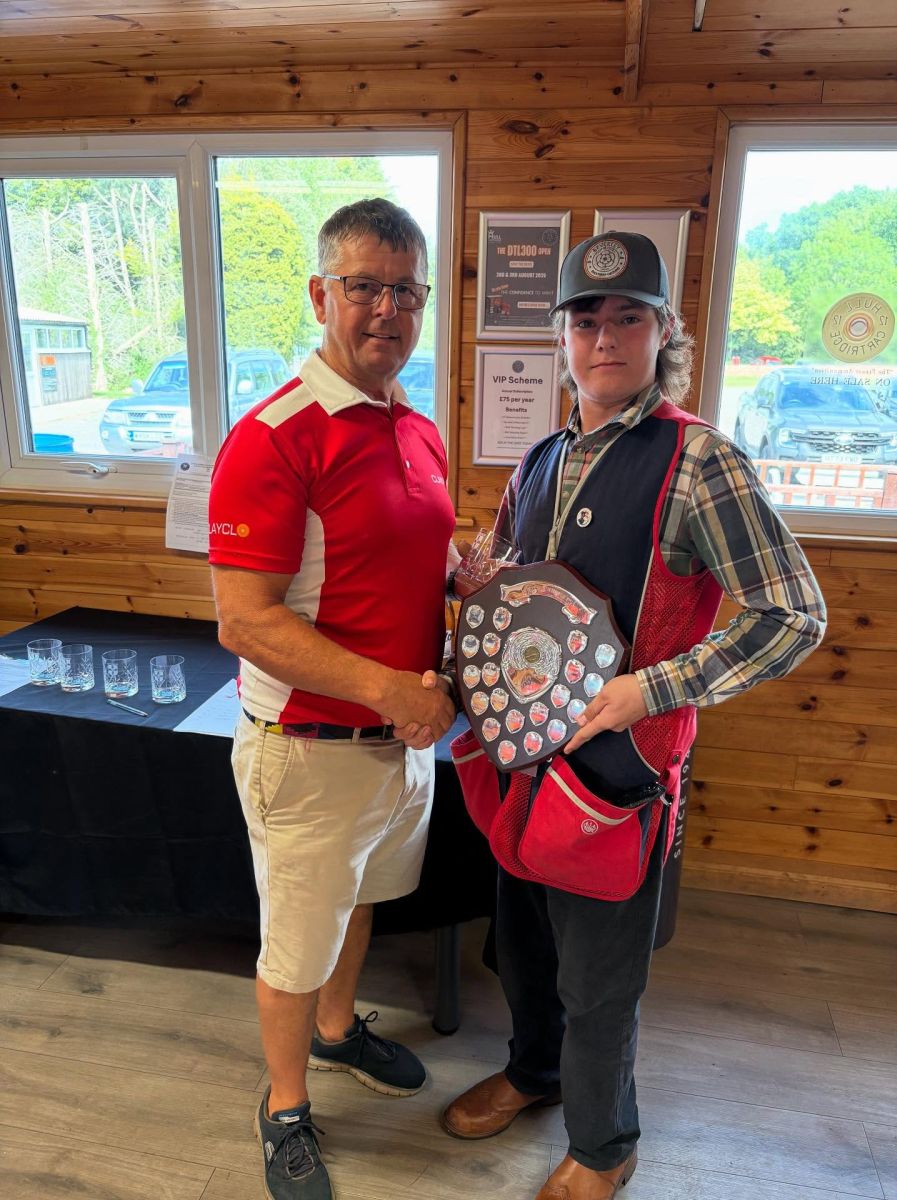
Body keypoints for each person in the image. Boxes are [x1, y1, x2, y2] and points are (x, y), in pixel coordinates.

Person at [438, 231, 827, 1200]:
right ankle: (533, 1073)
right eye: (586, 321)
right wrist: (473, 590)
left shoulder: (701, 461)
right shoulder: (539, 459)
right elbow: (508, 590)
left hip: (622, 774)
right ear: (562, 339)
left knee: (600, 982)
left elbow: (795, 615)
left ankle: (605, 1146)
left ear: (664, 334)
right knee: (522, 945)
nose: (604, 338)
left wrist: (649, 691)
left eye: (628, 318)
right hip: (524, 759)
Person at [208, 198, 457, 1200]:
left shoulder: (419, 429)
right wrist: (390, 688)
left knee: (360, 904)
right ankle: (284, 1108)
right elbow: (245, 621)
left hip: (400, 747)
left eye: (406, 291)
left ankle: (338, 1029)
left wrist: (465, 577)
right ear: (321, 295)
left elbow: (401, 558)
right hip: (308, 750)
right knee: (295, 943)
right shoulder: (273, 436)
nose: (387, 309)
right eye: (364, 287)